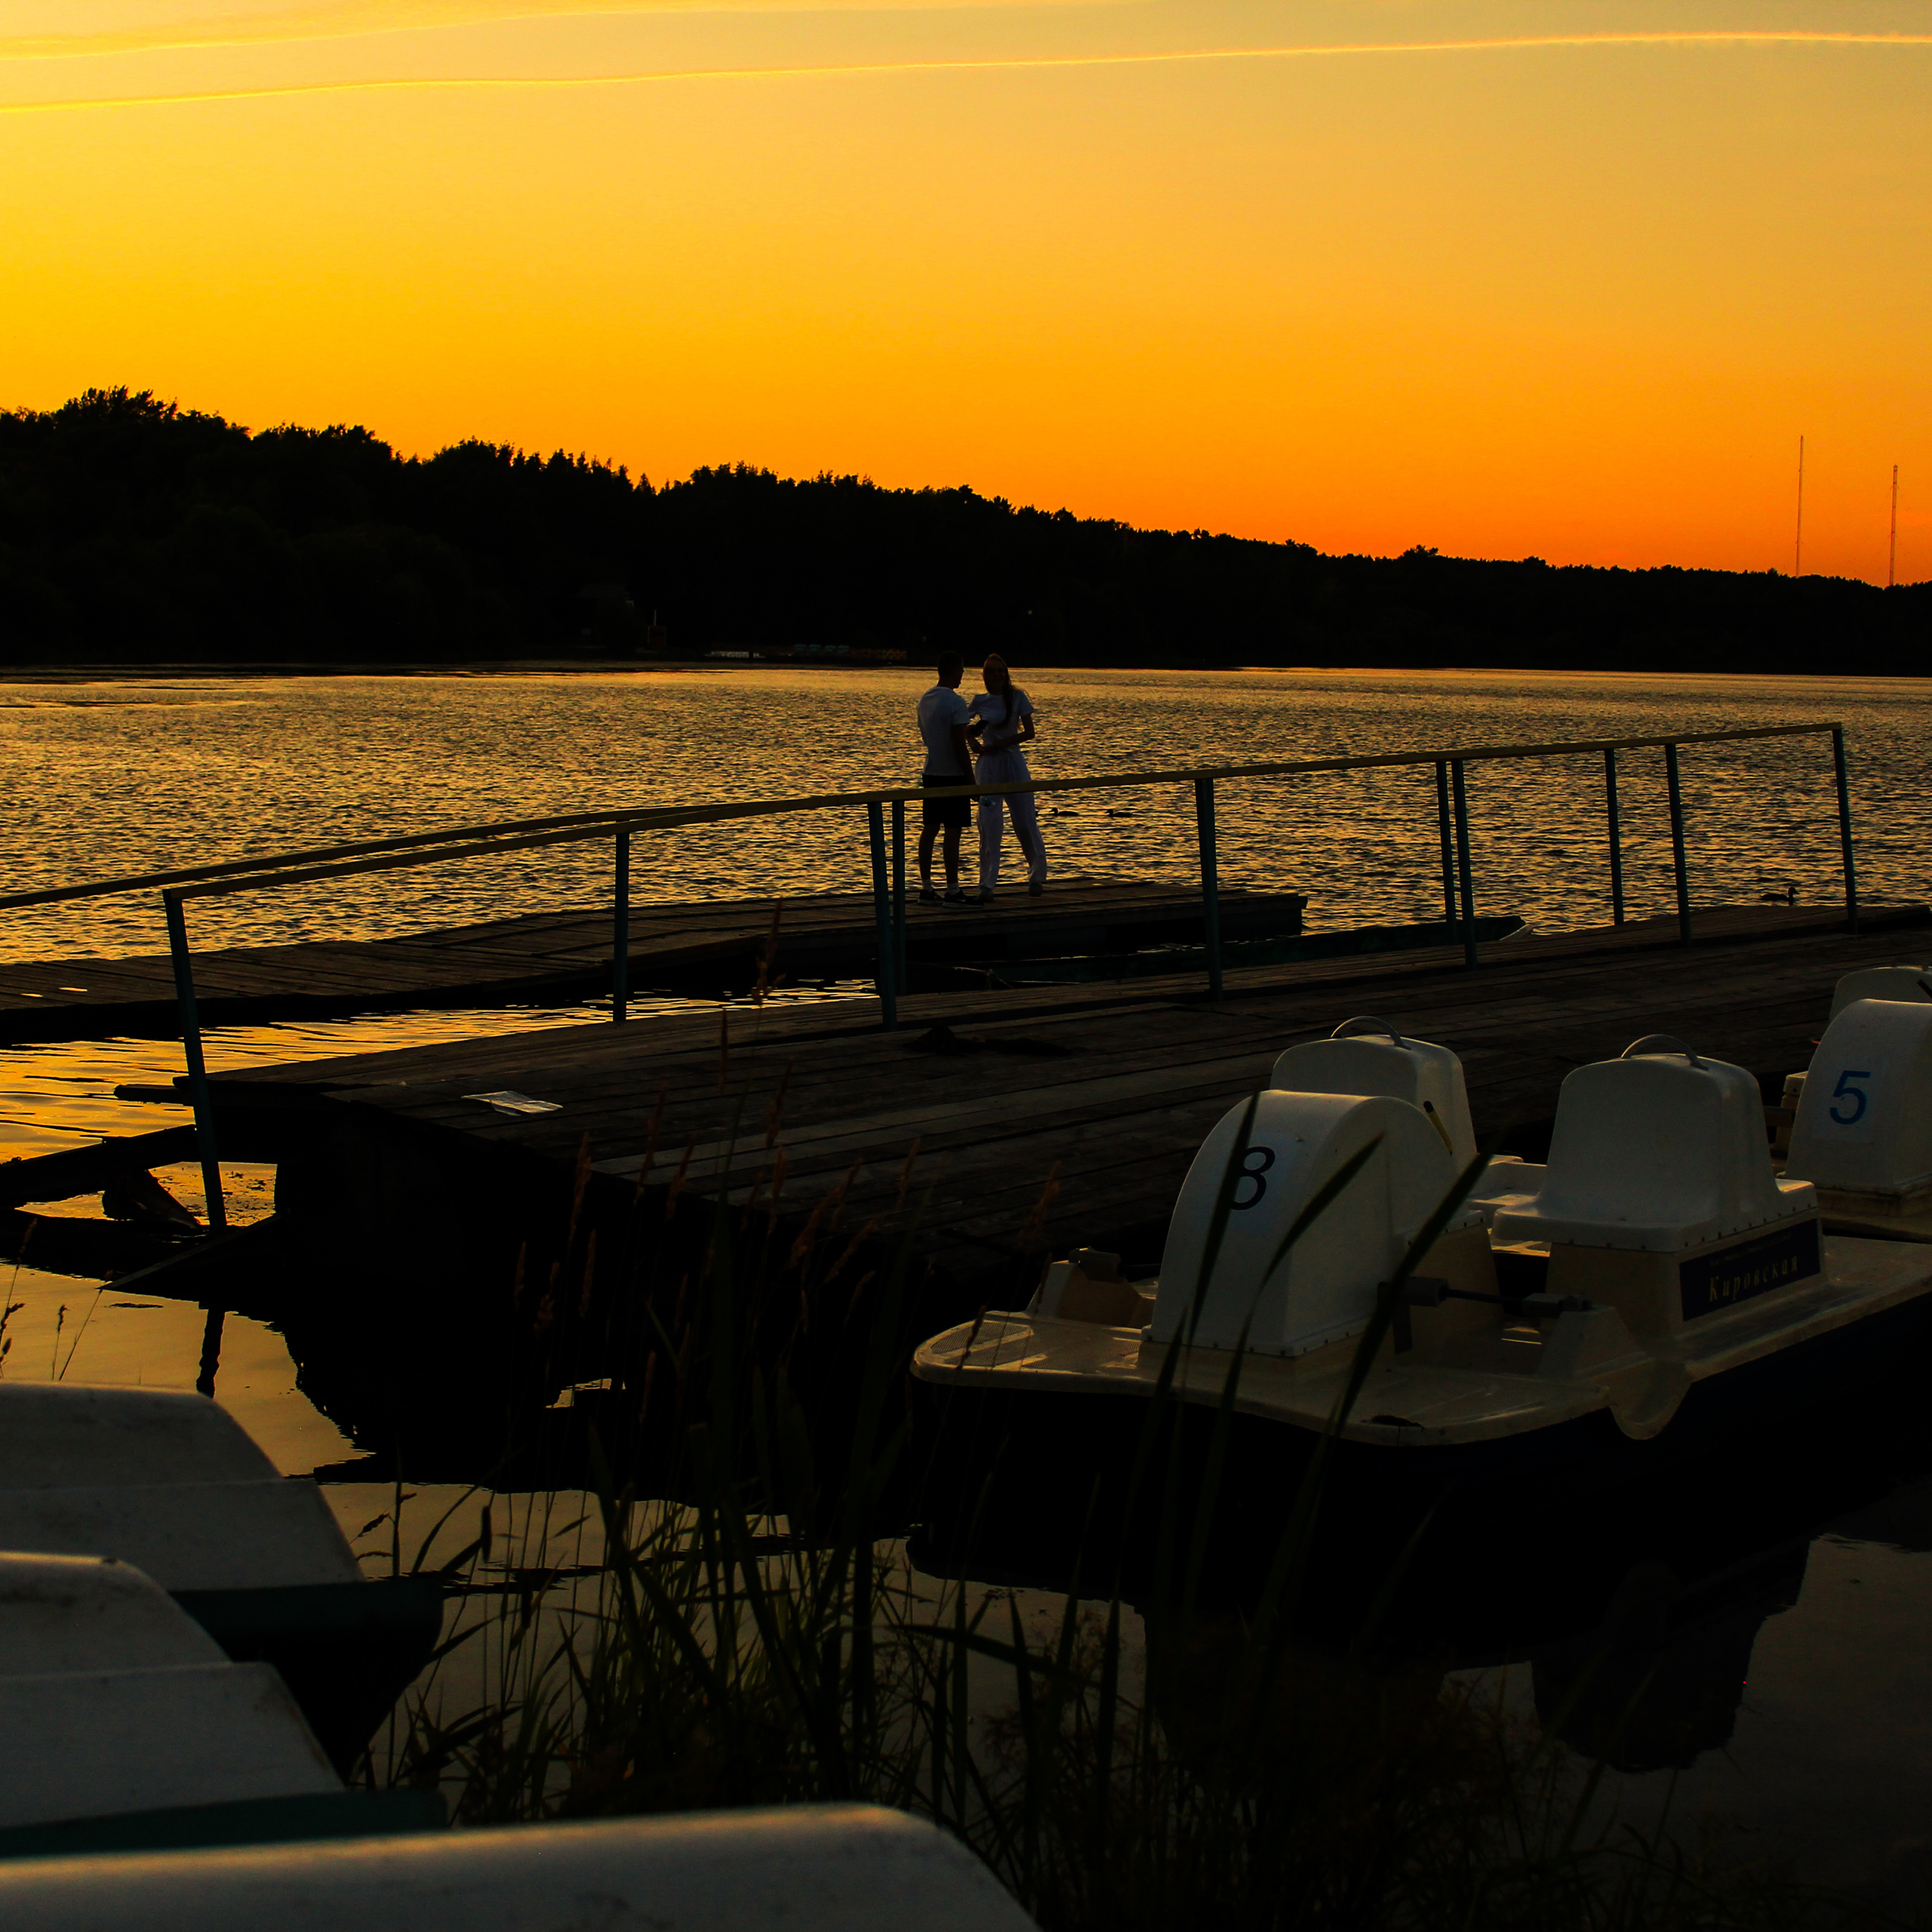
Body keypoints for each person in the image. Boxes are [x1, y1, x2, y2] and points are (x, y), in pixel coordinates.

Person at [967, 653, 1047, 899]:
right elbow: (962, 729)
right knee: (990, 823)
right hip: (988, 767)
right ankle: (987, 883)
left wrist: (1001, 744)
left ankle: (1037, 875)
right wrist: (972, 741)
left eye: (1001, 670)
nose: (998, 675)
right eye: (992, 671)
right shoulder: (979, 701)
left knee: (1025, 820)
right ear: (985, 675)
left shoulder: (1018, 697)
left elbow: (1030, 733)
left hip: (1013, 762)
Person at [915, 652, 975, 905]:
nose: (962, 675)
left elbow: (932, 736)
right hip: (953, 775)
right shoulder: (956, 702)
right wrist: (971, 780)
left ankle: (927, 888)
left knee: (930, 828)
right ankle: (953, 890)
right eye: (961, 670)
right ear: (954, 671)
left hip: (931, 772)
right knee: (953, 831)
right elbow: (959, 745)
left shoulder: (926, 699)